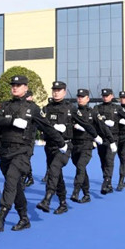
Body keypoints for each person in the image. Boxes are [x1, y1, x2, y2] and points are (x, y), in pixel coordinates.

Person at [0, 76, 67, 232]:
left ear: (26, 88)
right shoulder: (5, 105)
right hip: (5, 151)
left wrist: (61, 142)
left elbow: (47, 127)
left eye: (18, 85)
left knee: (10, 182)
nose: (15, 87)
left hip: (22, 152)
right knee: (15, 186)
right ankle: (24, 218)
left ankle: (1, 217)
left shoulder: (33, 108)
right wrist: (11, 121)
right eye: (13, 85)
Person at [36, 81, 102, 214]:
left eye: (59, 90)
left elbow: (85, 123)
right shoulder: (46, 109)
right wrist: (53, 127)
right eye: (54, 90)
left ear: (64, 92)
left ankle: (47, 199)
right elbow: (38, 124)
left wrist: (95, 136)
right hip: (50, 146)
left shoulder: (70, 108)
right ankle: (63, 203)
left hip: (65, 146)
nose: (56, 92)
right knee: (57, 175)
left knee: (53, 170)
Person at [92, 89, 125, 195]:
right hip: (104, 138)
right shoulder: (97, 108)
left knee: (120, 158)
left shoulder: (124, 109)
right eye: (104, 95)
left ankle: (119, 180)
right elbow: (94, 121)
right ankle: (112, 181)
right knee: (103, 161)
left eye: (124, 97)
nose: (122, 99)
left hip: (121, 137)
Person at [70, 89, 114, 203]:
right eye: (78, 96)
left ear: (88, 99)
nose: (80, 99)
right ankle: (86, 194)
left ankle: (76, 191)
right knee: (81, 169)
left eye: (82, 97)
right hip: (74, 145)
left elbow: (102, 127)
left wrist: (111, 141)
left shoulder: (92, 112)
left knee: (81, 166)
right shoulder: (72, 111)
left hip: (87, 144)